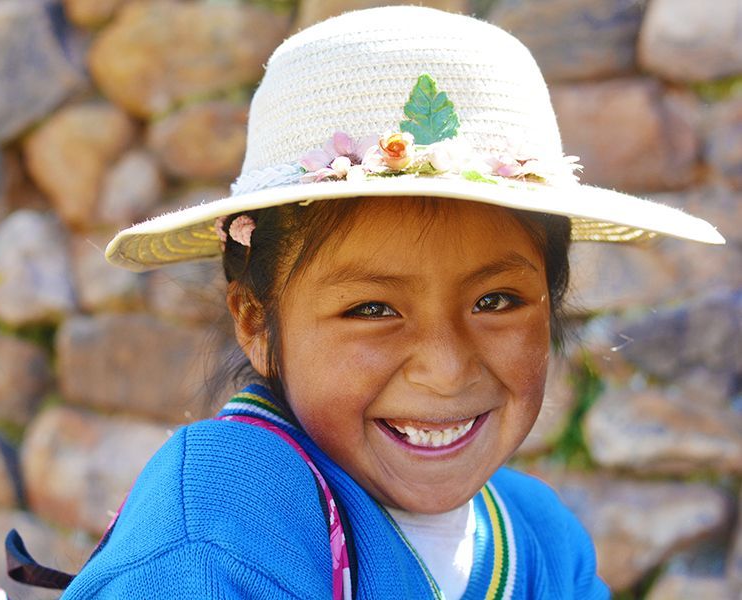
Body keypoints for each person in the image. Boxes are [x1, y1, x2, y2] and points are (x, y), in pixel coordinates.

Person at [57, 6, 724, 599]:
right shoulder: (219, 529)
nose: (446, 370)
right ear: (256, 322)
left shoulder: (542, 539)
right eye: (372, 309)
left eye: (496, 300)